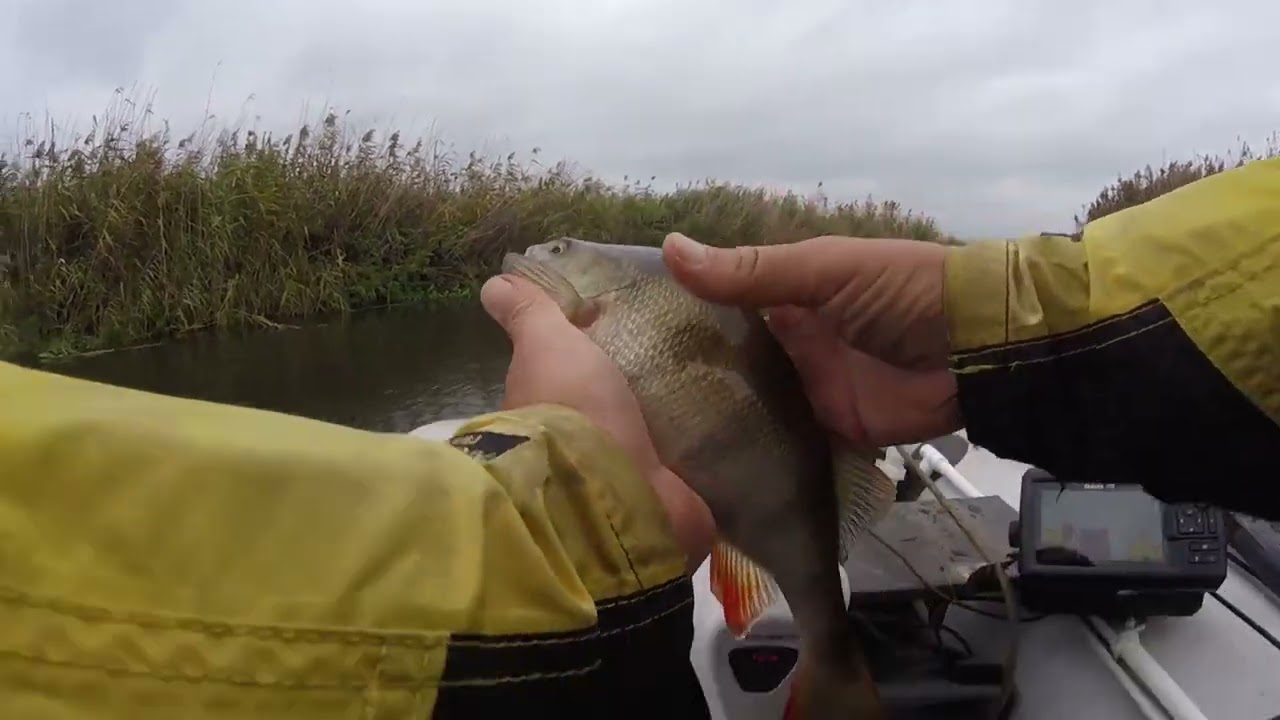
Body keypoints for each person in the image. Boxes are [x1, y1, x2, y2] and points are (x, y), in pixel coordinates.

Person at [1, 155, 1276, 719]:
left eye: (557, 250)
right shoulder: (625, 309)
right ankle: (823, 647)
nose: (539, 259)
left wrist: (567, 457)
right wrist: (1002, 336)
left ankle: (828, 655)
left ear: (593, 282)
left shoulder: (622, 307)